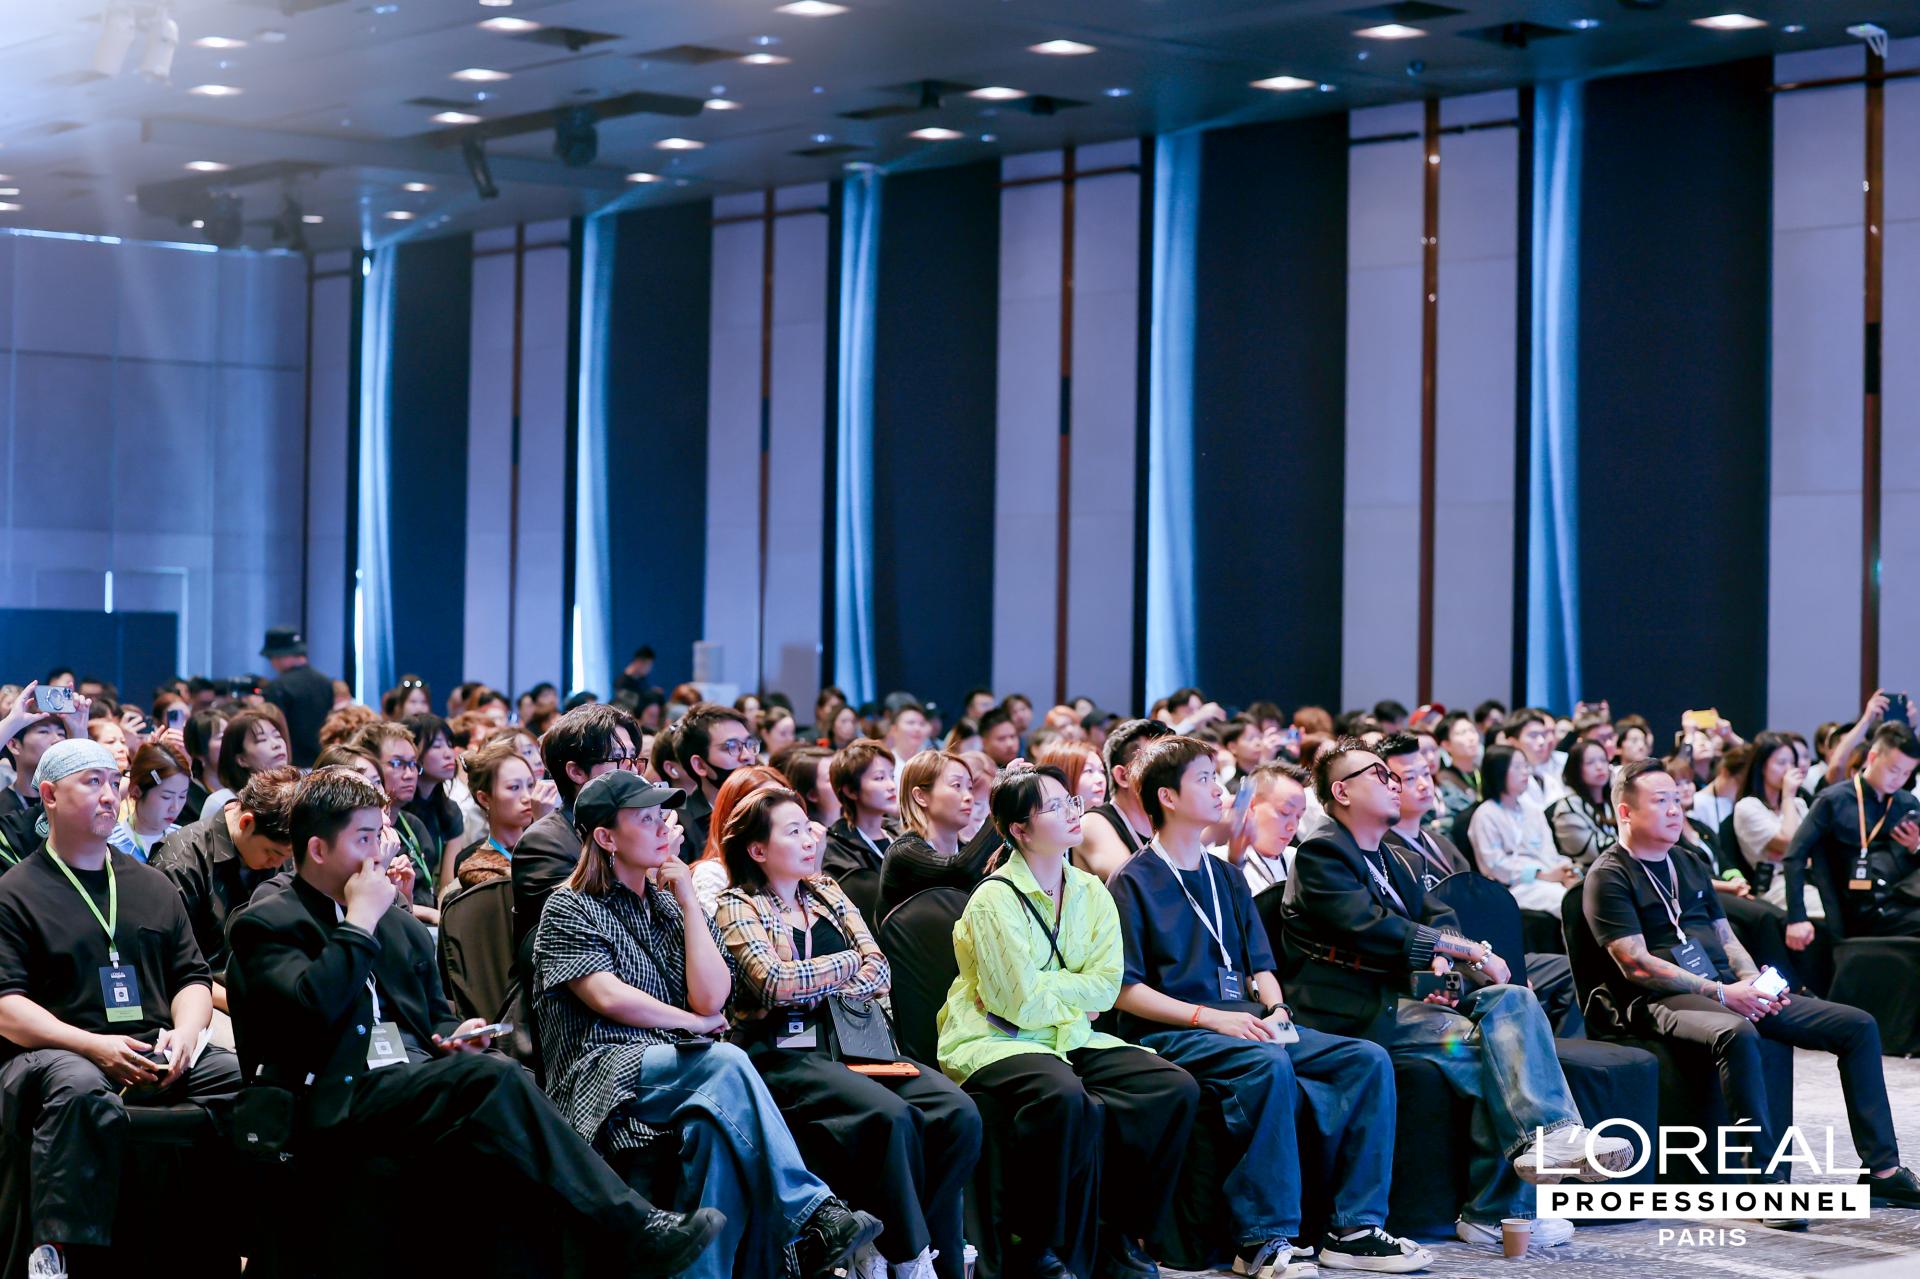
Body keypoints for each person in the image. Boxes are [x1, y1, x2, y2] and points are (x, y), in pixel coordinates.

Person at [226, 766, 726, 1273]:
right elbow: (307, 1016)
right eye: (364, 839)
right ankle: (634, 1229)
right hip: (332, 1095)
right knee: (494, 1078)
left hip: (410, 1084)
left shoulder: (396, 923)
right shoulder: (270, 922)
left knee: (504, 1123)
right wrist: (359, 923)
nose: (378, 852)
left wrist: (455, 1036)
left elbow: (435, 1016)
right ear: (318, 849)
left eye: (379, 836)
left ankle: (616, 1243)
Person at [1282, 739, 1630, 1251]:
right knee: (1500, 1056)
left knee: (1513, 1000)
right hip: (1348, 1012)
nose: (1392, 782)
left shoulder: (1392, 857)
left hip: (1407, 1001)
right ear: (1342, 792)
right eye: (1378, 774)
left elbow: (1438, 916)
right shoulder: (1322, 852)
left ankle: (1546, 1144)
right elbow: (1369, 925)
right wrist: (1464, 951)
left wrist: (1446, 957)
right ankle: (1501, 1206)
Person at [530, 770, 879, 1279]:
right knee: (726, 1060)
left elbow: (713, 997)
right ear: (606, 837)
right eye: (644, 819)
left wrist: (690, 902)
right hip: (603, 1074)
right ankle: (812, 1211)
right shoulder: (568, 905)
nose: (663, 828)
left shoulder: (669, 903)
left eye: (662, 816)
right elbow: (607, 996)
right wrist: (692, 1022)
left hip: (683, 1072)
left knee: (713, 1130)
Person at [1109, 737, 1431, 1276]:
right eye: (1205, 779)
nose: (1220, 790)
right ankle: (1262, 1239)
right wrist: (1211, 1017)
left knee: (1366, 1059)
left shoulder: (1227, 877)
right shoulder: (1132, 880)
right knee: (1266, 1062)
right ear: (1167, 796)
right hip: (1173, 1030)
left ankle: (1353, 1228)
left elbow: (1261, 968)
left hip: (1244, 1019)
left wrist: (1277, 1009)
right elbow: (1125, 991)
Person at [1584, 759, 1920, 1209]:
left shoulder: (1688, 861)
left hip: (1724, 986)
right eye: (1660, 801)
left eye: (1676, 799)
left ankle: (1881, 1170)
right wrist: (1723, 994)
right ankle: (1764, 1182)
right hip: (1658, 999)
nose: (1675, 809)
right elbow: (1636, 964)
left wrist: (1749, 981)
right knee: (1737, 1032)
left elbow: (1726, 938)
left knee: (1857, 1026)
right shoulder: (1608, 875)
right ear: (1626, 812)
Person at [937, 764, 1200, 1279]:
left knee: (1172, 1087)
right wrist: (1074, 995)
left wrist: (1056, 991)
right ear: (1019, 829)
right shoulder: (993, 898)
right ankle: (1036, 1246)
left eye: (1071, 802)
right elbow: (1016, 1005)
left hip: (1071, 1035)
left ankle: (1119, 1233)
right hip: (995, 1040)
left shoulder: (1090, 890)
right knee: (1062, 1096)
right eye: (1055, 807)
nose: (1073, 813)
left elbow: (1107, 985)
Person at [0, 739, 242, 1278]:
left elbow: (192, 979)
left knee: (238, 1077)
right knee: (78, 1084)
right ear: (49, 795)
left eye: (114, 782)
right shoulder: (14, 892)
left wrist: (186, 1033)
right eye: (92, 782)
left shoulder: (151, 885)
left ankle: (228, 1243)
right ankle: (59, 1252)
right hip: (56, 1052)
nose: (110, 794)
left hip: (151, 1048)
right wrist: (92, 1045)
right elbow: (6, 1007)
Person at [716, 788, 982, 1279]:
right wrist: (845, 964)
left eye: (807, 828)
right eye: (792, 831)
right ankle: (910, 1256)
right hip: (785, 1051)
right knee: (891, 1117)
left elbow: (879, 968)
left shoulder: (826, 891)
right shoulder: (737, 904)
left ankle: (898, 1241)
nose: (809, 839)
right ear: (757, 849)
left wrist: (822, 979)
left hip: (856, 1040)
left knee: (957, 1112)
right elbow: (773, 984)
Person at [152, 765, 300, 1008]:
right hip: (204, 998)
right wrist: (244, 1007)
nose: (278, 864)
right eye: (272, 853)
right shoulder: (179, 863)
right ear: (246, 822)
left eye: (287, 857)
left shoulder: (282, 852)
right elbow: (169, 967)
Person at [512, 703, 644, 966]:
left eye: (633, 757)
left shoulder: (633, 830)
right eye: (618, 759)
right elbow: (586, 931)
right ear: (576, 772)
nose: (632, 770)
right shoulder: (543, 843)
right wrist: (645, 870)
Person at [1783, 722, 1920, 944]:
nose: (1899, 779)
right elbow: (1794, 856)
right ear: (1873, 758)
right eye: (1894, 770)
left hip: (1906, 897)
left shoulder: (1907, 803)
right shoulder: (1833, 800)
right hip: (1865, 909)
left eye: (1907, 773)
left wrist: (1915, 847)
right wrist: (1796, 918)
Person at [876, 749, 992, 921]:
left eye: (970, 787)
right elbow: (958, 871)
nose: (968, 796)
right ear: (921, 796)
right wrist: (1000, 812)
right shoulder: (903, 852)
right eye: (956, 785)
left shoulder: (965, 851)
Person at [1468, 746, 1579, 917]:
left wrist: (1564, 871)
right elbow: (1495, 865)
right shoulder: (1485, 815)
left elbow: (1549, 852)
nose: (1526, 772)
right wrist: (1542, 874)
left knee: (1586, 892)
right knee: (1566, 901)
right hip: (1515, 887)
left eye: (1526, 766)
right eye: (1518, 767)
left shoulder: (1532, 810)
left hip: (1549, 878)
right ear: (1499, 772)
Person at [352, 722, 441, 925]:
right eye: (397, 763)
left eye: (413, 764)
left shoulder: (414, 825)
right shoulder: (358, 838)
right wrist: (429, 913)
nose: (409, 774)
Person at [1076, 718, 1175, 882]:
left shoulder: (1163, 820)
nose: (1171, 775)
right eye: (1157, 764)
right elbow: (1135, 883)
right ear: (1122, 776)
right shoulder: (1093, 823)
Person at [453, 737, 556, 890]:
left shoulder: (544, 841)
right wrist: (543, 826)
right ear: (484, 799)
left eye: (530, 785)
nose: (527, 797)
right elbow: (535, 888)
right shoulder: (476, 867)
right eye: (514, 787)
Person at [1731, 732, 1815, 915]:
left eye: (1792, 763)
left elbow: (1815, 847)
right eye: (1781, 763)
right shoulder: (1748, 807)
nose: (1789, 770)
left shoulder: (1799, 804)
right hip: (1777, 885)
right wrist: (1788, 796)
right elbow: (1790, 843)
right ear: (1762, 766)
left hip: (1811, 878)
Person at [689, 765, 788, 916]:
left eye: (786, 800)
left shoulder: (791, 863)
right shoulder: (714, 873)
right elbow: (720, 930)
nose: (784, 812)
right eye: (767, 804)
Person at [0, 683, 80, 867]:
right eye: (44, 731)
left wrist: (78, 731)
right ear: (14, 745)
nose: (57, 740)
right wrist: (13, 721)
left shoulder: (69, 801)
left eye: (61, 733)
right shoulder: (3, 804)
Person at [675, 703, 758, 856]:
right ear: (700, 765)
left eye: (749, 744)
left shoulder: (765, 808)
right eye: (732, 746)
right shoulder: (680, 826)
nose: (747, 755)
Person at [1222, 761, 1311, 894]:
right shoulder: (1220, 861)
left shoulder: (1297, 859)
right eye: (1285, 812)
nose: (1293, 827)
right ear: (1252, 805)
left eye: (1299, 816)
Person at [403, 714, 467, 897]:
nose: (449, 753)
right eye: (437, 746)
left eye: (449, 744)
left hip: (433, 905)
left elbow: (448, 885)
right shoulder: (397, 810)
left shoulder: (450, 811)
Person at [822, 738, 897, 890]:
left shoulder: (900, 833)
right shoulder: (836, 847)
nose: (891, 786)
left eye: (892, 776)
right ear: (850, 791)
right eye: (879, 778)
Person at [259, 626, 333, 768]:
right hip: (322, 762)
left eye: (271, 658)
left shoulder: (278, 687)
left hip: (292, 764)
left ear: (280, 656)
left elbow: (274, 727)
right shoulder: (325, 682)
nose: (272, 664)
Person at [206, 706, 291, 818]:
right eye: (262, 740)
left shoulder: (298, 793)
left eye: (277, 736)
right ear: (242, 760)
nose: (276, 744)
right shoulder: (222, 802)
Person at [1546, 738, 1617, 867]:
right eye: (1590, 762)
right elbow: (1593, 854)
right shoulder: (1568, 808)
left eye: (1603, 760)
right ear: (1576, 769)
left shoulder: (1616, 800)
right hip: (1592, 873)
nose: (1599, 767)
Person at [117, 741, 192, 861]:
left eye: (182, 796)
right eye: (166, 797)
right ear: (136, 791)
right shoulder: (110, 846)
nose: (175, 807)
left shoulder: (188, 842)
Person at [177, 708, 226, 827]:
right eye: (221, 737)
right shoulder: (186, 800)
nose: (231, 742)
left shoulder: (246, 784)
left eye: (230, 734)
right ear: (199, 752)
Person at [885, 703, 934, 772]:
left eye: (922, 724)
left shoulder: (933, 763)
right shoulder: (886, 763)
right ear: (894, 729)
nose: (917, 728)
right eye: (911, 723)